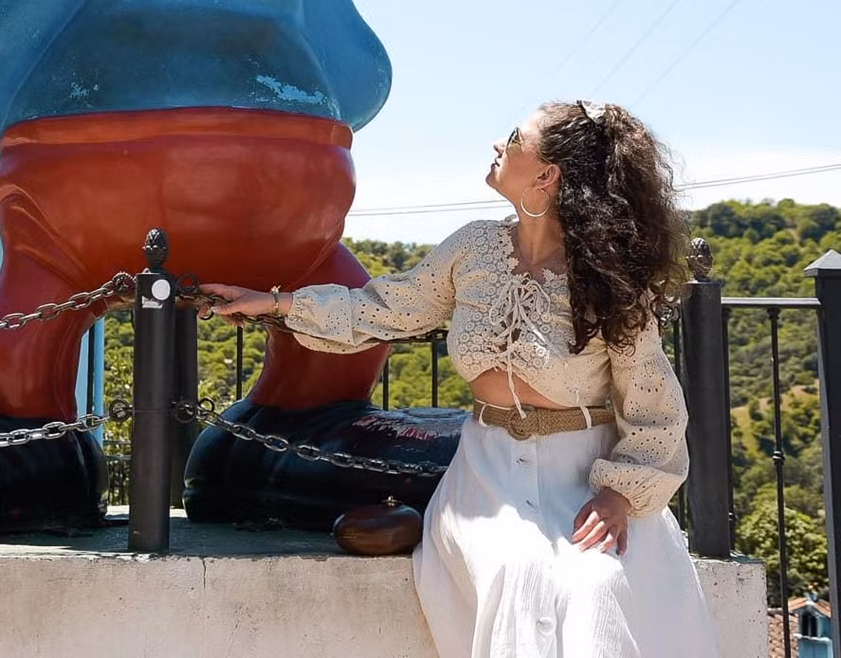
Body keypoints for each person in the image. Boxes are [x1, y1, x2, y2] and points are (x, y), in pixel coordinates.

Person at [202, 100, 718, 658]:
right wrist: (272, 304)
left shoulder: (610, 277)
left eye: (515, 137)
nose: (498, 143)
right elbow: (383, 309)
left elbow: (655, 406)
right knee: (518, 571)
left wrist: (619, 495)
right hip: (486, 474)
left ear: (547, 175)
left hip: (584, 474)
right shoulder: (473, 247)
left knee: (594, 583)